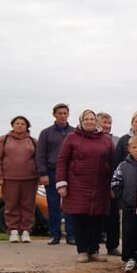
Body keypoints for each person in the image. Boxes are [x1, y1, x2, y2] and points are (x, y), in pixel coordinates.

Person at [56, 110, 115, 262]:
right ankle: (82, 250)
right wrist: (62, 183)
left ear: (96, 121)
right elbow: (62, 161)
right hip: (77, 185)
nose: (89, 121)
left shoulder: (106, 140)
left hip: (100, 185)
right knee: (79, 217)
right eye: (86, 119)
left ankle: (94, 250)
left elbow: (112, 163)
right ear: (81, 121)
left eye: (92, 119)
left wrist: (113, 185)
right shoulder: (72, 137)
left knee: (96, 219)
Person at [0, 116, 38, 243]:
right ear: (12, 125)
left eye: (23, 123)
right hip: (9, 179)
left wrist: (40, 175)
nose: (20, 125)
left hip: (30, 178)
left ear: (27, 126)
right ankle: (13, 231)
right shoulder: (3, 140)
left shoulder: (33, 141)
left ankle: (26, 231)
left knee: (28, 205)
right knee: (11, 205)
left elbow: (38, 160)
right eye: (17, 123)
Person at [36, 103, 75, 245]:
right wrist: (43, 173)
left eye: (65, 113)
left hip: (70, 173)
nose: (63, 116)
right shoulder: (46, 133)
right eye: (60, 113)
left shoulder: (74, 132)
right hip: (52, 172)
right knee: (53, 204)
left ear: (68, 114)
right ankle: (55, 234)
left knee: (70, 204)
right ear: (54, 115)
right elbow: (40, 154)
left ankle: (71, 235)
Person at [111, 136, 137, 272]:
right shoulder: (123, 165)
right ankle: (130, 258)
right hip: (128, 206)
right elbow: (115, 182)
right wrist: (122, 198)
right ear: (129, 149)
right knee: (129, 233)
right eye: (134, 147)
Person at [97, 112, 121, 256]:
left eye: (109, 123)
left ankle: (112, 246)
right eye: (104, 123)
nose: (107, 126)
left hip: (112, 182)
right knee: (95, 216)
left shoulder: (117, 140)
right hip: (95, 183)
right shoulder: (92, 139)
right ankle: (93, 247)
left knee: (113, 216)